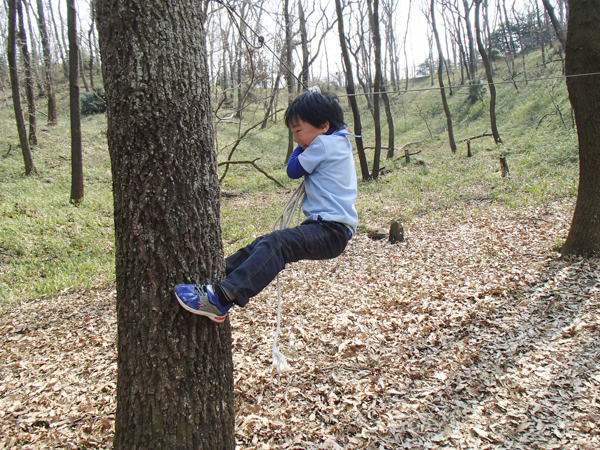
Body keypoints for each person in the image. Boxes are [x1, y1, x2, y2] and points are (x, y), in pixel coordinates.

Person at [175, 91, 358, 322]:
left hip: (331, 230)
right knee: (264, 242)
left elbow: (292, 170)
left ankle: (222, 297)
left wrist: (301, 149)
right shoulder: (339, 140)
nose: (297, 139)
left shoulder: (322, 143)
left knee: (277, 243)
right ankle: (222, 275)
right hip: (331, 230)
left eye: (298, 131)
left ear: (323, 125)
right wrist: (305, 141)